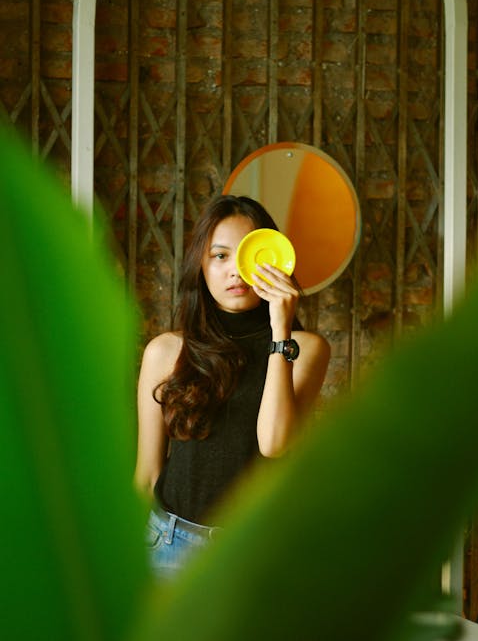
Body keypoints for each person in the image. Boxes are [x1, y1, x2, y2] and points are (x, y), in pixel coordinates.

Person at [134, 194, 331, 579]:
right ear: (201, 266)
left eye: (248, 255)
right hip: (168, 546)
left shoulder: (305, 349)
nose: (235, 271)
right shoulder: (165, 351)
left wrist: (280, 332)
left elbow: (274, 444)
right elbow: (146, 473)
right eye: (220, 256)